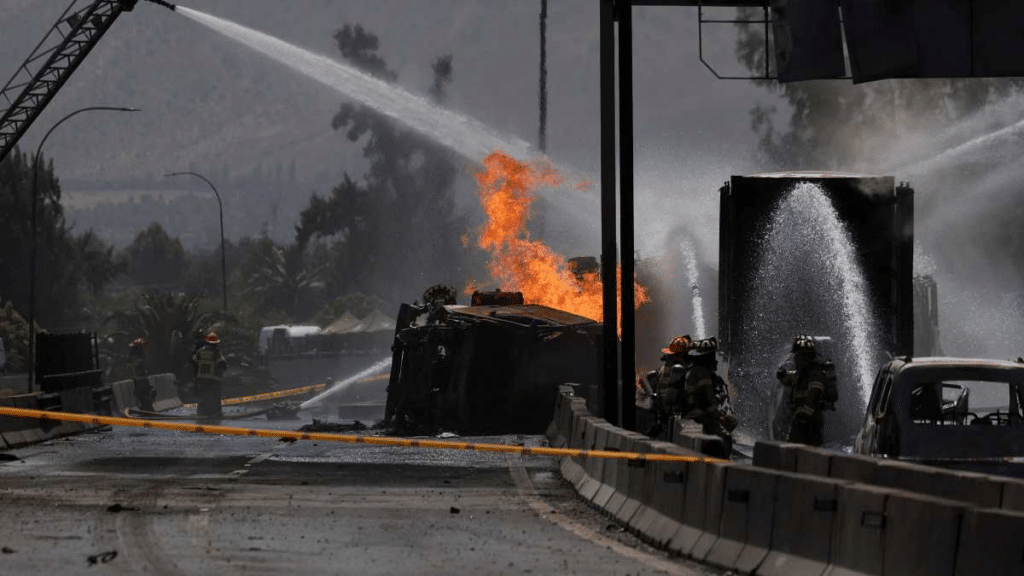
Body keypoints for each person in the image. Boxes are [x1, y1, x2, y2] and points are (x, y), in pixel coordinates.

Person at [776, 335, 836, 447]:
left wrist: (801, 414)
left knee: (806, 454)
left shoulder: (815, 375)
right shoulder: (801, 374)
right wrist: (781, 372)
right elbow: (785, 378)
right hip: (800, 423)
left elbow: (812, 400)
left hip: (809, 425)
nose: (795, 360)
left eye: (797, 357)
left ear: (805, 358)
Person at [682, 337, 737, 453]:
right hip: (700, 417)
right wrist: (721, 418)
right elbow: (710, 402)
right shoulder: (703, 373)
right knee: (726, 437)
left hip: (690, 414)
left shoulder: (691, 371)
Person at [192, 331, 227, 419]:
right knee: (215, 398)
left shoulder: (200, 351)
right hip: (213, 380)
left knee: (202, 397)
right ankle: (216, 413)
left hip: (201, 380)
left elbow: (193, 362)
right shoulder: (216, 353)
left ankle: (201, 413)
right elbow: (223, 364)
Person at [128, 337, 156, 411]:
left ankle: (147, 408)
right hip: (141, 380)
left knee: (144, 396)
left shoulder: (140, 358)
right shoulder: (142, 357)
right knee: (144, 396)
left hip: (141, 380)